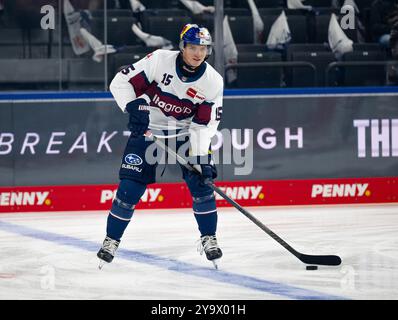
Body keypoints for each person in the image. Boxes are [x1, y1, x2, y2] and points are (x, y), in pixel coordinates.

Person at [97, 24, 224, 268]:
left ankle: (209, 237)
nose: (198, 53)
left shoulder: (212, 81)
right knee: (129, 189)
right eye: (193, 47)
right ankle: (111, 240)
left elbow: (204, 125)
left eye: (203, 48)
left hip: (186, 133)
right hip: (148, 129)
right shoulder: (159, 60)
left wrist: (199, 157)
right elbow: (119, 83)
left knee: (202, 185)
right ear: (182, 47)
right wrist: (133, 107)